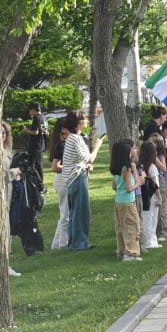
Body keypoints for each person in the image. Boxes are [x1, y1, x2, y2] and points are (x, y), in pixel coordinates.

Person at [56, 111, 101, 251]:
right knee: (81, 212)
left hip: (72, 179)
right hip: (77, 178)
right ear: (78, 123)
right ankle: (80, 243)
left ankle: (74, 243)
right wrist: (97, 145)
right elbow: (89, 158)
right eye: (84, 118)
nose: (87, 120)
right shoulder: (76, 138)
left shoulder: (72, 138)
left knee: (75, 212)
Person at [109, 139, 142, 262]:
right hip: (128, 202)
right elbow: (129, 188)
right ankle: (131, 253)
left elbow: (114, 186)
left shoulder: (116, 169)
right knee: (132, 226)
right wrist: (139, 182)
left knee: (121, 226)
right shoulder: (126, 169)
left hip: (118, 201)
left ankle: (121, 250)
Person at [49, 116, 73, 250]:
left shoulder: (62, 144)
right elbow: (55, 167)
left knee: (65, 213)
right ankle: (63, 244)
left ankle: (56, 244)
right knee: (66, 214)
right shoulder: (61, 146)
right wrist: (71, 166)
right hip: (62, 179)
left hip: (63, 179)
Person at [137, 136, 163, 252]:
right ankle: (150, 241)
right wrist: (160, 197)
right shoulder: (152, 167)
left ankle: (149, 240)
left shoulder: (139, 166)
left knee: (145, 217)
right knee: (152, 219)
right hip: (151, 196)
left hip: (142, 195)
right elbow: (155, 184)